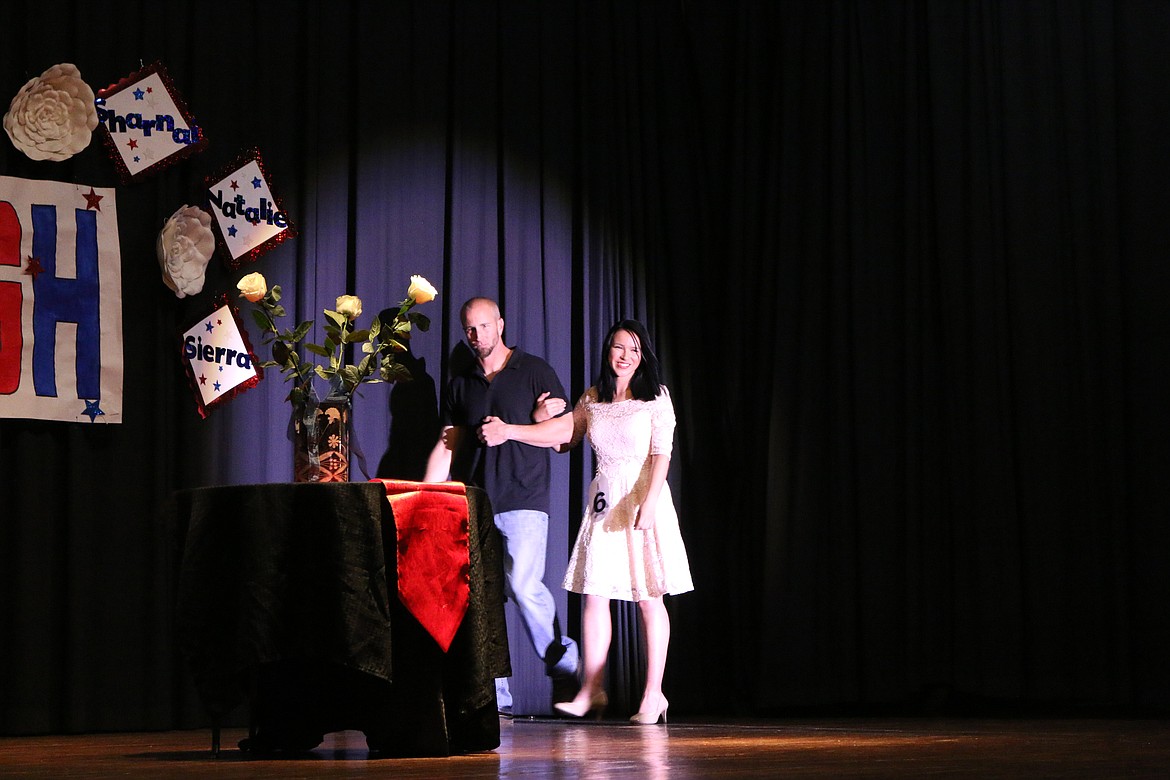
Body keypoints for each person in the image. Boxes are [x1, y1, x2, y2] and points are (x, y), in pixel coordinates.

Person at [479, 319, 693, 725]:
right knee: (595, 595)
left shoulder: (655, 397)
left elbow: (662, 453)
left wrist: (649, 503)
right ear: (608, 350)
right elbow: (564, 436)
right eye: (619, 347)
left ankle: (654, 695)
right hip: (605, 503)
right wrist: (523, 426)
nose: (625, 356)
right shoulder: (593, 398)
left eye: (634, 349)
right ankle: (591, 688)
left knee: (649, 596)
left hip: (643, 497)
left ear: (643, 355)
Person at [424, 297, 579, 717]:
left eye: (485, 326)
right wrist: (425, 495)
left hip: (523, 498)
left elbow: (564, 432)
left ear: (501, 325)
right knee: (482, 600)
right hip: (475, 503)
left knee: (523, 585)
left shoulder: (534, 371)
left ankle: (562, 662)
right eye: (470, 329)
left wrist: (511, 429)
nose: (478, 336)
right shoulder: (461, 384)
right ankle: (495, 698)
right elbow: (447, 444)